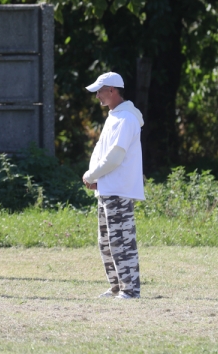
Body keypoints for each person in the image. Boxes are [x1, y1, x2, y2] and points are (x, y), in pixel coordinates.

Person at [82, 72, 144, 299]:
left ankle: (131, 289)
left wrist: (91, 175)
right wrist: (95, 178)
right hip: (107, 188)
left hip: (119, 189)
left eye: (100, 91)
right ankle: (117, 285)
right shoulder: (114, 116)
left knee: (121, 241)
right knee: (107, 242)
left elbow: (115, 157)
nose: (97, 95)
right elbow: (103, 152)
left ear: (113, 90)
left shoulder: (126, 119)